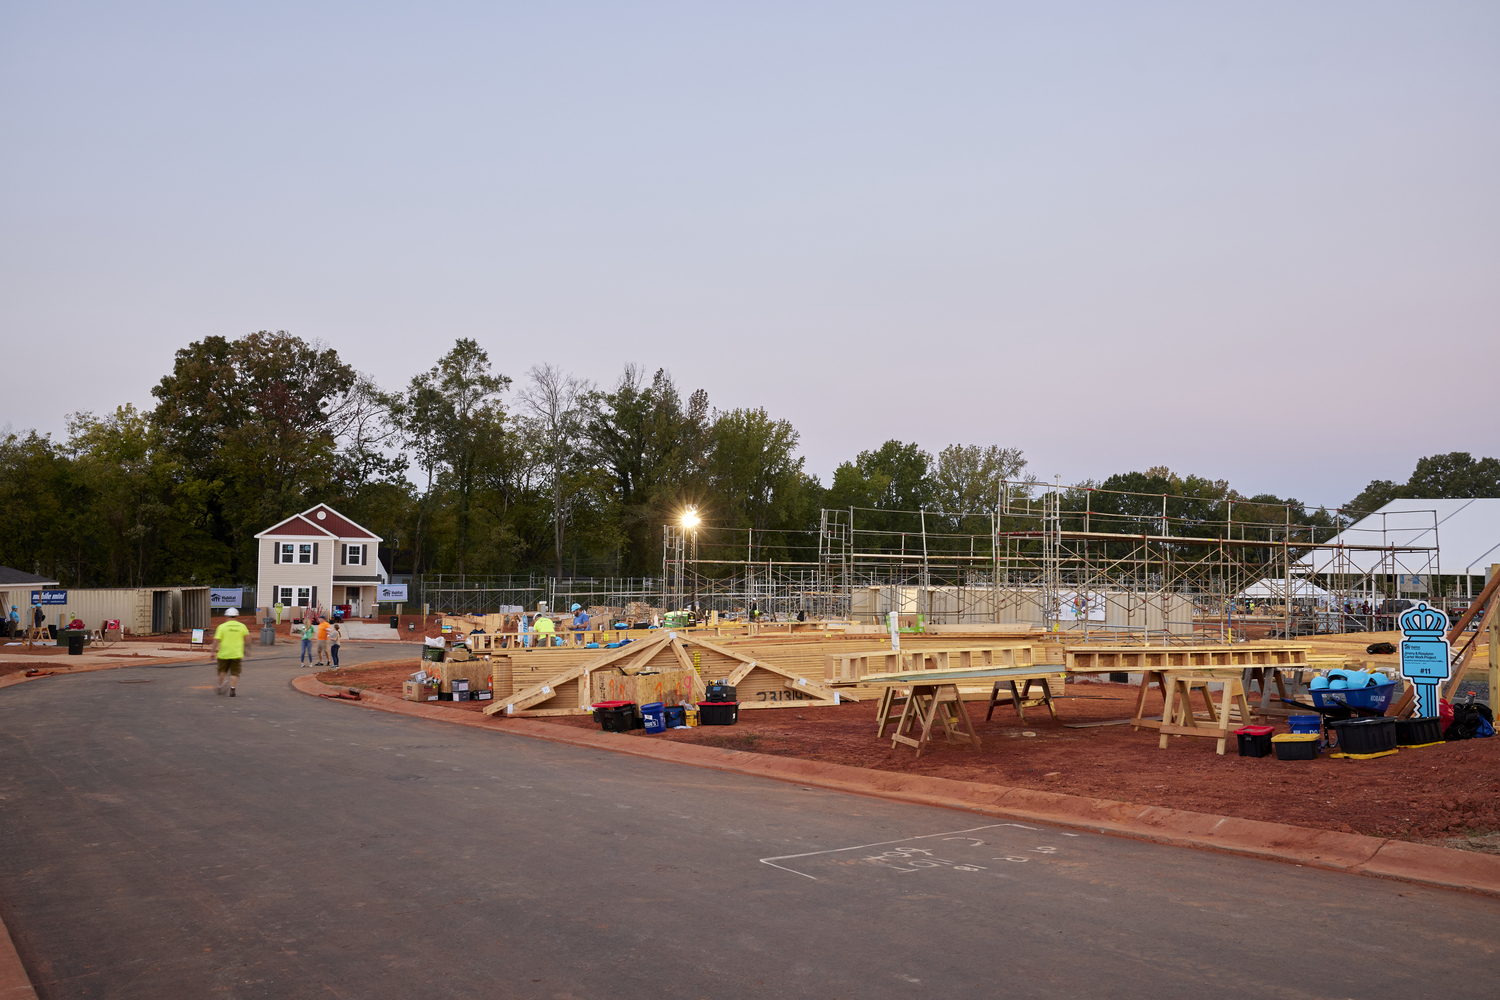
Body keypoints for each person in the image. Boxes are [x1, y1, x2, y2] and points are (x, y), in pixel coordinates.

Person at [211, 607, 250, 696]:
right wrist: (247, 649)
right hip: (236, 654)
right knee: (235, 672)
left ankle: (220, 686)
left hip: (223, 654)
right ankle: (232, 689)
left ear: (227, 616)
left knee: (222, 671)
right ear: (237, 616)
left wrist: (212, 652)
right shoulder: (242, 626)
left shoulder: (222, 627)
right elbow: (247, 639)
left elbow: (216, 641)